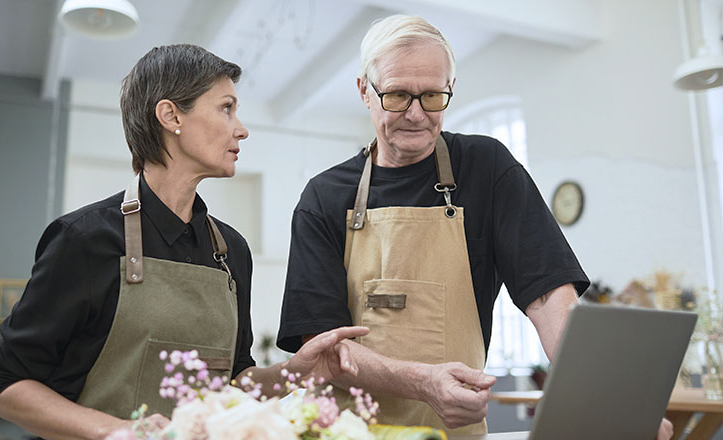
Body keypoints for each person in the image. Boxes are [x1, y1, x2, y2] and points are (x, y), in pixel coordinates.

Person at [277, 14, 672, 439]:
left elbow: (549, 299)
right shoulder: (324, 197)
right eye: (396, 95)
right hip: (350, 432)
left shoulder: (488, 169)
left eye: (432, 96)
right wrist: (423, 382)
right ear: (364, 91)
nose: (415, 114)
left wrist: (611, 401)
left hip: (455, 431)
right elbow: (322, 345)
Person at [0, 44, 367, 440]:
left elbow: (232, 383)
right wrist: (121, 432)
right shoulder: (84, 240)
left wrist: (290, 373)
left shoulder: (231, 252)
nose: (242, 128)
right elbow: (4, 386)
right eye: (226, 108)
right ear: (171, 116)